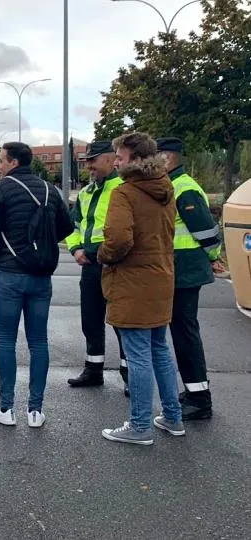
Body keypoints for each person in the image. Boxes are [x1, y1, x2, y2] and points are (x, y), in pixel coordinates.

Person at [0, 142, 73, 427]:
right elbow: (66, 227)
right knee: (39, 340)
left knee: (6, 340)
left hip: (8, 273)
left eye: (0, 160)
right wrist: (39, 247)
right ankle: (35, 410)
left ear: (14, 163)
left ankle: (6, 408)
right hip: (41, 275)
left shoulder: (0, 188)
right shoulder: (49, 189)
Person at [99, 132, 184, 446]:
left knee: (137, 355)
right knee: (159, 350)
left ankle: (139, 425)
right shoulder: (166, 188)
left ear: (135, 159)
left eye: (120, 157)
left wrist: (103, 257)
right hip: (161, 279)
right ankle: (173, 417)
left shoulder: (126, 193)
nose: (116, 161)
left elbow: (119, 239)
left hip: (133, 282)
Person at [157, 137, 222, 421]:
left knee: (185, 334)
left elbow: (207, 232)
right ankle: (194, 391)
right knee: (182, 332)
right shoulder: (173, 184)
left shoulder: (182, 187)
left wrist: (212, 256)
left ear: (168, 158)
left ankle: (199, 399)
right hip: (178, 270)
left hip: (185, 271)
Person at [65, 140, 129, 394]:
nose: (88, 166)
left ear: (109, 159)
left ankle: (130, 375)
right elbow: (73, 226)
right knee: (90, 319)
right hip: (90, 264)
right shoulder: (86, 193)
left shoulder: (123, 189)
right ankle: (93, 370)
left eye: (93, 160)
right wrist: (75, 249)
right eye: (86, 161)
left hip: (117, 265)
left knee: (123, 322)